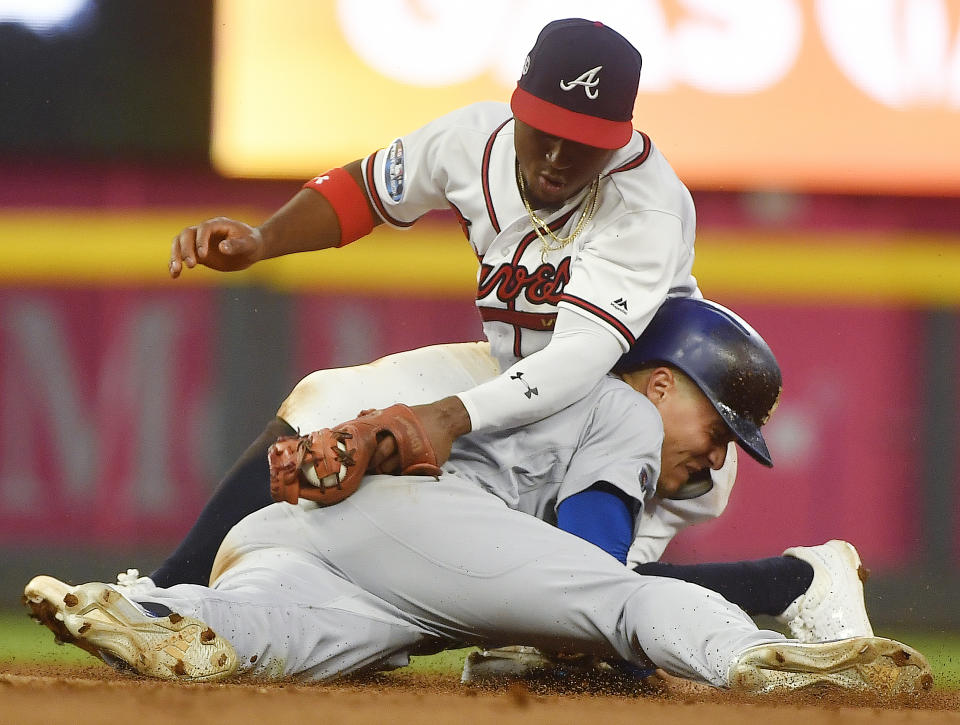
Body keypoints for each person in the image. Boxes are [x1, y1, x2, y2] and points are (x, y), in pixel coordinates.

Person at [24, 299, 931, 695]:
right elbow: (591, 579)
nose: (722, 452)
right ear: (658, 383)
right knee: (623, 602)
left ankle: (168, 611)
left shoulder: (542, 400)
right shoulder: (616, 404)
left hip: (324, 557)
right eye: (720, 424)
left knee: (284, 636)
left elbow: (533, 589)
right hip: (401, 514)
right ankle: (753, 659)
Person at [156, 18, 704, 589]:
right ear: (517, 105)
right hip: (513, 378)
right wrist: (264, 240)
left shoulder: (647, 206)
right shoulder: (472, 139)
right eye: (544, 129)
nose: (558, 157)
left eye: (585, 141)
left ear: (621, 136)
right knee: (329, 398)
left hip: (636, 412)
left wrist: (447, 415)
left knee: (609, 604)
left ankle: (785, 582)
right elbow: (364, 190)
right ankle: (167, 589)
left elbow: (580, 359)